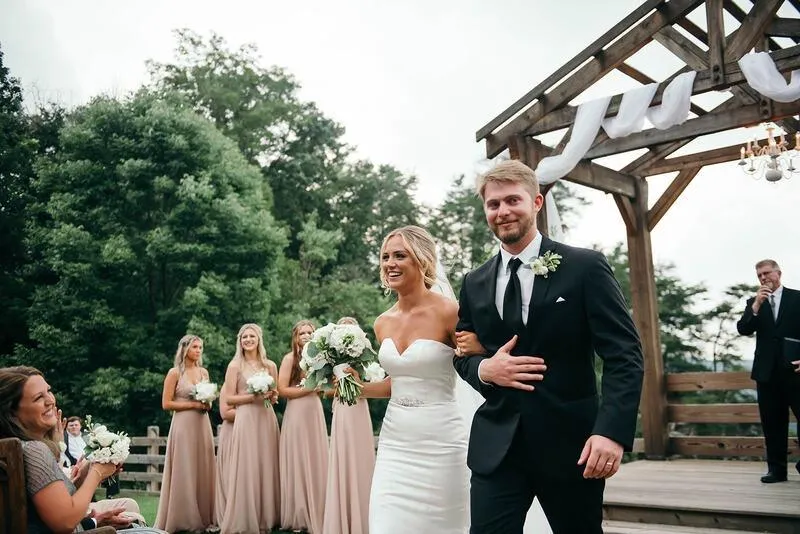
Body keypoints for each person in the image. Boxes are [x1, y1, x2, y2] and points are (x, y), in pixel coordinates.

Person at [454, 160, 644, 533]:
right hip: (497, 447)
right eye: (493, 204)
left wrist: (611, 432)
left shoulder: (585, 267)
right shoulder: (474, 282)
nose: (503, 211)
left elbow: (624, 355)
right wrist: (484, 369)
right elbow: (463, 354)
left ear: (537, 202)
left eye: (513, 200)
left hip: (571, 445)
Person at [0, 366, 162, 533]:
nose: (50, 400)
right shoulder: (34, 450)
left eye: (48, 391)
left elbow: (47, 507)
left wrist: (94, 519)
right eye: (38, 397)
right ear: (12, 413)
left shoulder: (19, 448)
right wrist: (97, 473)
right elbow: (65, 522)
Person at [736, 259, 800, 483]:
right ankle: (777, 471)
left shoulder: (797, 298)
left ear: (778, 273)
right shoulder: (754, 302)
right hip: (766, 373)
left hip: (796, 371)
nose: (763, 278)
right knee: (772, 424)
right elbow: (743, 329)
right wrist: (755, 306)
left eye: (766, 273)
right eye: (759, 276)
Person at [220, 323, 281, 534]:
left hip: (266, 417)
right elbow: (229, 398)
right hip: (246, 418)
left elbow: (275, 396)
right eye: (244, 337)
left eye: (251, 336)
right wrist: (252, 396)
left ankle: (268, 516)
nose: (248, 340)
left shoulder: (270, 365)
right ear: (240, 341)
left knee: (266, 463)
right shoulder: (234, 366)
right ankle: (245, 516)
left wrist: (271, 395)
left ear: (258, 339)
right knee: (247, 464)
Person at [154, 335, 217, 532]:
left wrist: (207, 403)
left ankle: (205, 516)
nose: (198, 351)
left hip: (202, 424)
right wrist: (193, 405)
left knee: (203, 465)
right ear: (184, 349)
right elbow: (166, 403)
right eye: (194, 347)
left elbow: (208, 401)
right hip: (183, 425)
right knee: (184, 466)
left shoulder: (203, 372)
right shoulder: (174, 373)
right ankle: (183, 517)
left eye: (200, 347)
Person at [321, 316, 375, 534]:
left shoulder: (364, 361)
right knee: (343, 456)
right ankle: (342, 519)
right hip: (343, 409)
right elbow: (325, 391)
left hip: (360, 408)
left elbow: (371, 387)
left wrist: (356, 381)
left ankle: (364, 518)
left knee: (362, 457)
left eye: (351, 328)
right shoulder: (331, 362)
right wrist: (339, 384)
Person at [278, 320, 329, 534]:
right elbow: (282, 390)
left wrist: (320, 388)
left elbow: (325, 387)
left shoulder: (321, 358)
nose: (306, 335)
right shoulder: (289, 359)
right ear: (296, 337)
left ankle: (319, 510)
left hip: (314, 412)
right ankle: (299, 514)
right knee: (299, 458)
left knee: (316, 458)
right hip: (297, 412)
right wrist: (308, 388)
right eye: (302, 333)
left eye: (310, 332)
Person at [214, 381, 236, 526]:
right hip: (233, 433)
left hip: (254, 431)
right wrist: (250, 412)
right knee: (232, 473)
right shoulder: (227, 387)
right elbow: (225, 413)